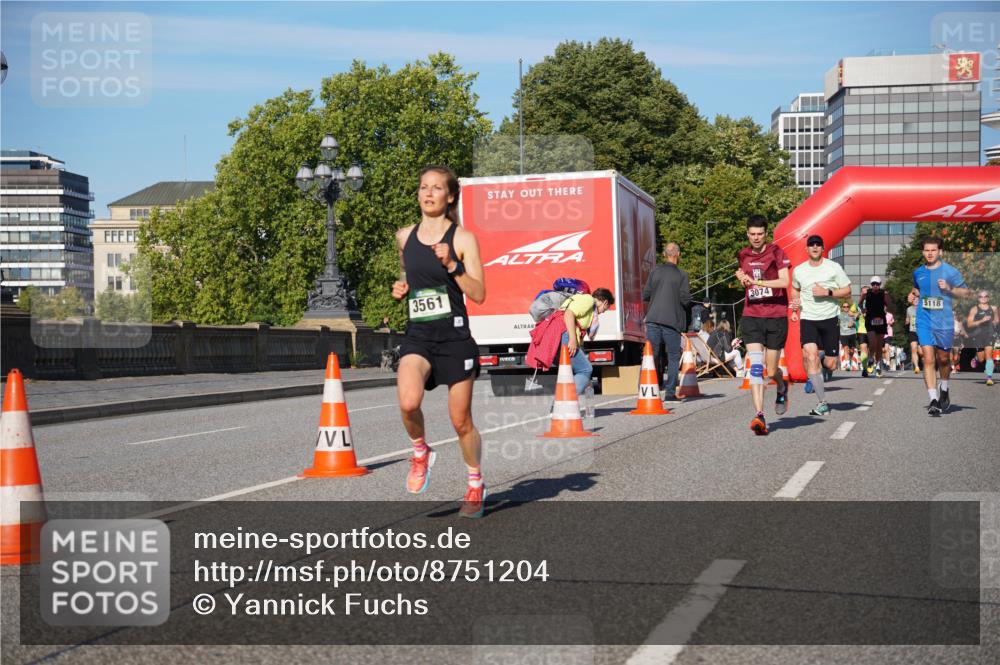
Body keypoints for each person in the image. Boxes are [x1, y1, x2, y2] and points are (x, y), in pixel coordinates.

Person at [392, 165, 487, 518]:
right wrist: (401, 288)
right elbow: (409, 277)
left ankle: (475, 482)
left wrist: (453, 267)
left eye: (436, 188)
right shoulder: (404, 237)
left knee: (460, 420)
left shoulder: (463, 239)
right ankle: (421, 451)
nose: (428, 193)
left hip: (454, 337)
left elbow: (479, 293)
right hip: (418, 335)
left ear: (449, 197)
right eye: (422, 187)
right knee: (407, 401)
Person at [735, 215, 790, 435]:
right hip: (752, 316)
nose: (756, 238)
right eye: (752, 234)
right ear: (747, 234)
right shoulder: (743, 255)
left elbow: (785, 281)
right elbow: (746, 279)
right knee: (755, 367)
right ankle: (759, 415)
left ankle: (782, 386)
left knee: (771, 369)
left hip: (776, 315)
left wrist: (758, 282)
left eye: (760, 234)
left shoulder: (777, 252)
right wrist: (742, 278)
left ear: (766, 233)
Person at [789, 234, 852, 416]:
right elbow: (795, 288)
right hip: (808, 318)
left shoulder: (833, 267)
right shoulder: (799, 270)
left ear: (823, 248)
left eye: (818, 245)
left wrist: (828, 291)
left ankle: (823, 362)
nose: (815, 247)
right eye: (811, 245)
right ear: (806, 249)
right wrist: (795, 305)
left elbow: (847, 290)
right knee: (810, 355)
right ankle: (822, 402)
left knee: (831, 364)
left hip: (830, 318)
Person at [908, 235, 971, 415]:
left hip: (943, 320)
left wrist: (949, 289)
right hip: (924, 319)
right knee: (928, 358)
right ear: (923, 252)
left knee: (943, 359)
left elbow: (966, 293)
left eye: (933, 250)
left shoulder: (950, 272)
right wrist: (912, 295)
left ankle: (944, 387)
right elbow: (917, 289)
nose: (930, 253)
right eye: (927, 250)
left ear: (940, 252)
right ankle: (933, 399)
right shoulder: (918, 272)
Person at [642, 242, 690, 403]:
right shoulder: (682, 275)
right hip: (672, 321)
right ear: (679, 254)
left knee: (651, 356)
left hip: (653, 319)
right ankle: (669, 393)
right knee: (673, 357)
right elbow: (685, 300)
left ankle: (646, 388)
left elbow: (646, 295)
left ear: (664, 254)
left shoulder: (654, 272)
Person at [559, 287, 615, 403]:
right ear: (604, 302)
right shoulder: (588, 300)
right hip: (566, 337)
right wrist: (573, 339)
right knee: (585, 369)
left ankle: (559, 406)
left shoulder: (590, 308)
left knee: (571, 373)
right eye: (606, 307)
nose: (604, 311)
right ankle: (564, 404)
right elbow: (569, 314)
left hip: (565, 336)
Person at [859, 277, 893, 378]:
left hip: (881, 319)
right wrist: (863, 310)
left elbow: (890, 305)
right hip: (870, 319)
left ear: (880, 284)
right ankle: (870, 359)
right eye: (873, 284)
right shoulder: (866, 293)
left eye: (877, 284)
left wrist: (888, 299)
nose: (875, 286)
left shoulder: (884, 293)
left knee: (879, 345)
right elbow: (860, 303)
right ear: (871, 284)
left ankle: (878, 365)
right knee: (872, 342)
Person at [966, 290, 998, 386]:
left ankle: (989, 378)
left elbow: (997, 320)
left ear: (988, 298)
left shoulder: (994, 308)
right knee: (981, 359)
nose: (983, 298)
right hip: (978, 335)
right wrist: (981, 320)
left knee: (989, 355)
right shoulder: (974, 309)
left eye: (985, 296)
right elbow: (969, 324)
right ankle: (976, 358)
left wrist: (995, 322)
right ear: (978, 298)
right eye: (981, 296)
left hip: (989, 335)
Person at [838, 301, 858, 371]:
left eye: (847, 307)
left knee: (851, 350)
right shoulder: (839, 315)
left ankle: (851, 359)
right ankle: (848, 364)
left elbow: (858, 316)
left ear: (849, 307)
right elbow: (836, 323)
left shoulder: (851, 314)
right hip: (843, 334)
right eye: (844, 307)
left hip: (852, 333)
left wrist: (853, 323)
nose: (846, 308)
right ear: (842, 308)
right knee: (846, 348)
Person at [905, 299, 921, 374]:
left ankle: (926, 366)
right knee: (914, 348)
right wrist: (907, 321)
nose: (915, 300)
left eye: (917, 299)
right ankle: (916, 366)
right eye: (914, 299)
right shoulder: (909, 309)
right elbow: (907, 319)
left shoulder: (923, 308)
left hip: (922, 332)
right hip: (912, 331)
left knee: (921, 353)